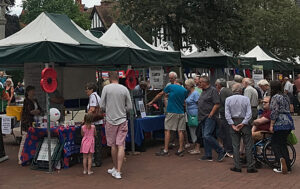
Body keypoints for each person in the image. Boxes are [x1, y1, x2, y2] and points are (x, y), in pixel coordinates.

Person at [100, 71, 132, 179]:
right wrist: (122, 110)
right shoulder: (124, 89)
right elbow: (130, 107)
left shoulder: (106, 89)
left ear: (109, 77)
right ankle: (118, 170)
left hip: (110, 120)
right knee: (121, 145)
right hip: (122, 119)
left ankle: (115, 167)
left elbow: (102, 105)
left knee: (113, 145)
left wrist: (108, 109)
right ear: (118, 77)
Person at [149, 78, 187, 157]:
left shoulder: (171, 86)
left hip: (172, 111)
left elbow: (160, 94)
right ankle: (180, 149)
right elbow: (183, 102)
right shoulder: (184, 90)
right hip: (181, 112)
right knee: (180, 131)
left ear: (175, 82)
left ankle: (165, 150)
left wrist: (152, 101)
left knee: (167, 130)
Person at [225, 83, 257, 173]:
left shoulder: (228, 99)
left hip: (233, 121)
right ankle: (250, 166)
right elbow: (249, 113)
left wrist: (232, 124)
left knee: (235, 145)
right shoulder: (246, 99)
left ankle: (237, 166)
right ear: (241, 90)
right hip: (244, 122)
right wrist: (243, 123)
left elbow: (227, 114)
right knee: (248, 145)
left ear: (232, 90)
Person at [198, 76, 226, 162]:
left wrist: (211, 114)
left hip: (209, 116)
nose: (199, 84)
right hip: (202, 116)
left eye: (200, 82)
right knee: (204, 136)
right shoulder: (203, 91)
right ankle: (208, 154)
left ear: (205, 82)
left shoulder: (213, 90)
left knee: (207, 135)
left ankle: (221, 150)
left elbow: (217, 103)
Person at [269, 81, 295, 174]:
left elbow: (274, 111)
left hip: (280, 122)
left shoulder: (275, 97)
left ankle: (280, 159)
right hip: (288, 121)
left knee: (275, 143)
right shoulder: (285, 96)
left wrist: (271, 124)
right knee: (283, 144)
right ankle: (288, 166)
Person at [85, 82, 103, 167]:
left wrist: (85, 119)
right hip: (98, 122)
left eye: (87, 89)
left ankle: (96, 161)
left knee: (95, 142)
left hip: (95, 122)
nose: (86, 91)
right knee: (97, 142)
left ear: (91, 90)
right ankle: (98, 160)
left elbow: (91, 109)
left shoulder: (93, 96)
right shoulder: (96, 96)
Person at [215, 78, 233, 157]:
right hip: (226, 114)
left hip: (225, 115)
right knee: (225, 132)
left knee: (226, 132)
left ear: (219, 85)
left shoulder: (223, 91)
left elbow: (224, 102)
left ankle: (228, 150)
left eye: (216, 85)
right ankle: (228, 149)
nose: (215, 86)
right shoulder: (227, 90)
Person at [185, 79, 200, 154]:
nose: (186, 87)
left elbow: (198, 103)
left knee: (195, 130)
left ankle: (197, 148)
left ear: (190, 85)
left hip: (194, 113)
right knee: (192, 130)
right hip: (190, 114)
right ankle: (195, 147)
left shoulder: (195, 93)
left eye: (186, 85)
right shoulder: (190, 93)